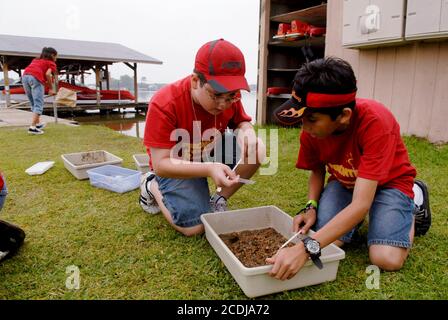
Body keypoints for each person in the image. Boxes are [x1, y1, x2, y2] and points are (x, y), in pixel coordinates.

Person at [267, 57, 431, 280]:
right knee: (330, 241)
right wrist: (310, 206)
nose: (304, 127)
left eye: (312, 119)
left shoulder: (376, 121)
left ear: (344, 116)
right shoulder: (311, 130)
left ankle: (412, 205)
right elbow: (317, 170)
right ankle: (370, 216)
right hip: (345, 183)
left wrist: (305, 249)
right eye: (301, 117)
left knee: (386, 258)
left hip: (390, 183)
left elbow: (361, 204)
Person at [140, 39, 265, 236]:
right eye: (216, 95)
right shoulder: (164, 102)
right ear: (195, 81)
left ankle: (218, 200)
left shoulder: (229, 99)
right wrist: (209, 168)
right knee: (193, 227)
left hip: (208, 151)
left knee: (258, 148)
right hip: (176, 164)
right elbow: (161, 164)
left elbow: (242, 121)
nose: (224, 104)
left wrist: (246, 132)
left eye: (231, 96)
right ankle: (151, 184)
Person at [22, 47, 58, 135]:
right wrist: (50, 88)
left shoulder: (35, 60)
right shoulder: (51, 63)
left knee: (33, 103)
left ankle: (37, 124)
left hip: (25, 77)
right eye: (56, 56)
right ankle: (32, 128)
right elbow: (48, 74)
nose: (56, 58)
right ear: (52, 55)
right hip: (35, 78)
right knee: (39, 103)